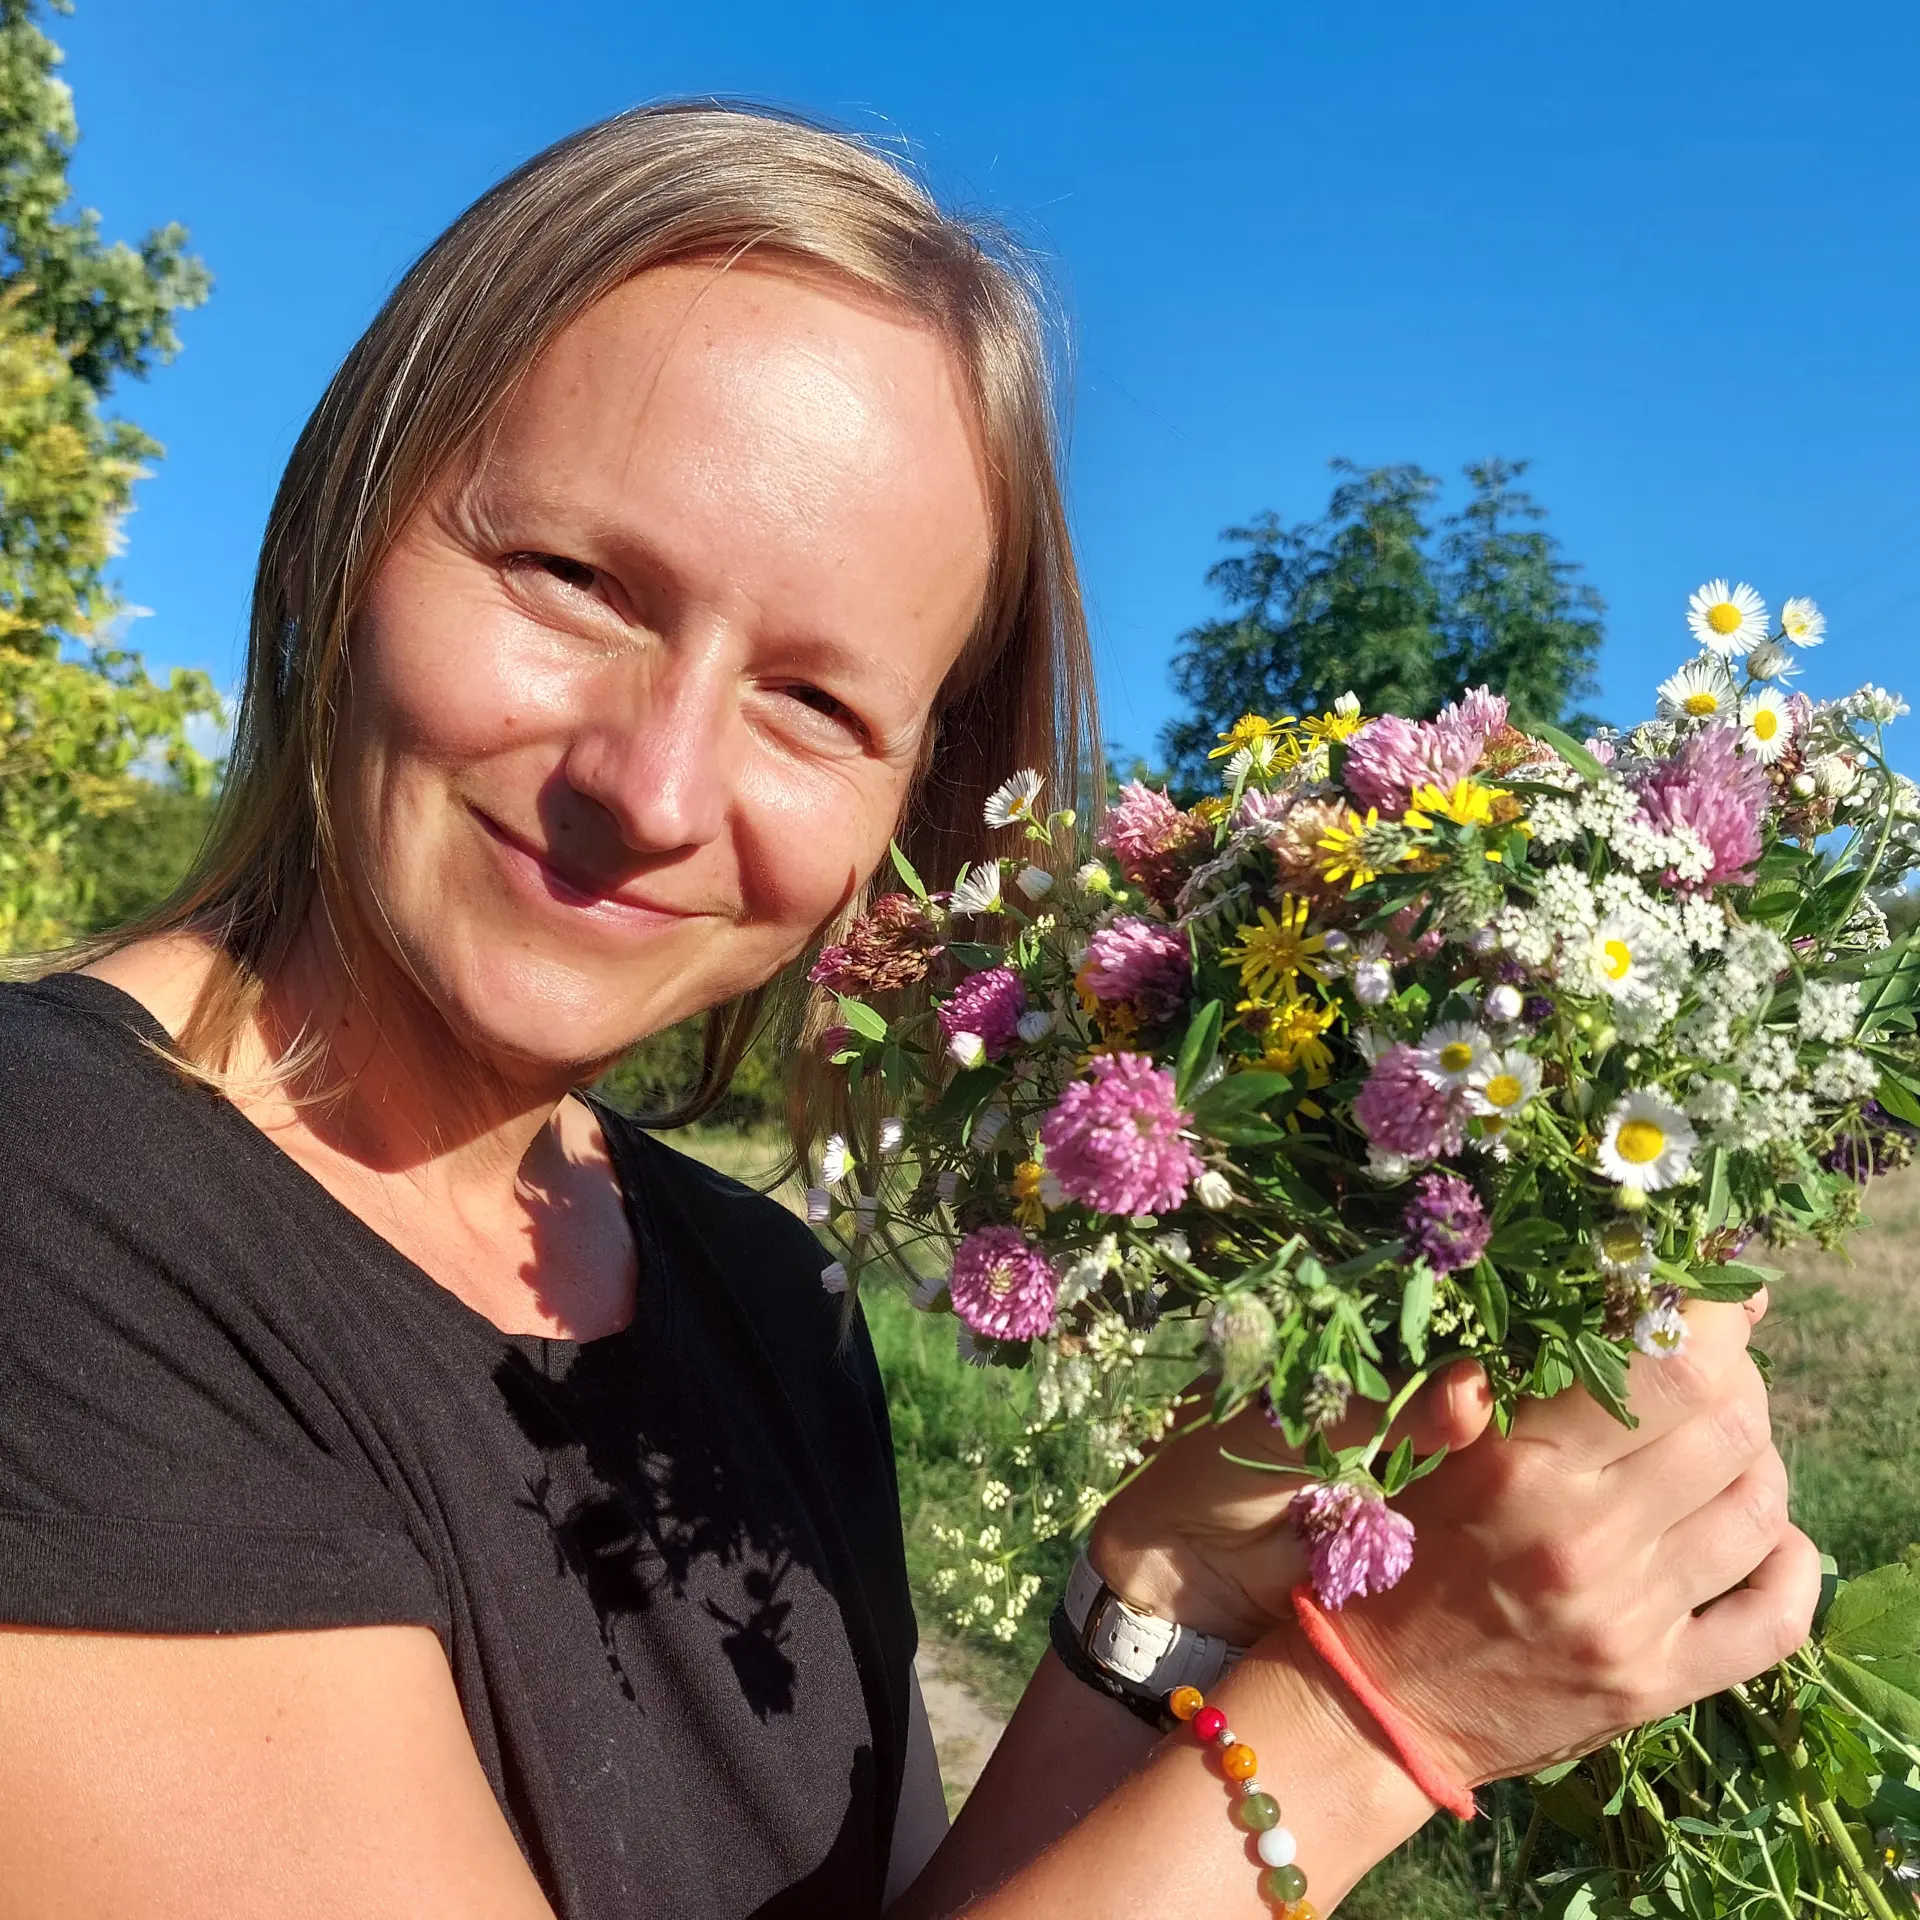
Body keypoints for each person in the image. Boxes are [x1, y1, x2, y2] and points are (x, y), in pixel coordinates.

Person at [0, 104, 1818, 1919]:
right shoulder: (55, 1212)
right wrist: (1382, 1720)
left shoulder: (764, 1291)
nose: (655, 783)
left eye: (814, 700)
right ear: (347, 526)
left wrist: (1166, 1588)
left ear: (906, 808)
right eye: (575, 582)